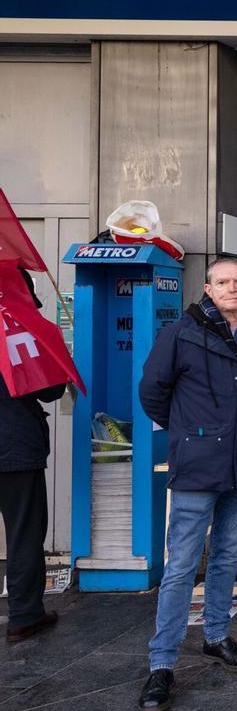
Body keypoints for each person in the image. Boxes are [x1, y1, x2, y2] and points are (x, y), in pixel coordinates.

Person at [136, 257, 237, 710]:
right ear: (208, 287)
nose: (232, 288)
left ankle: (216, 636)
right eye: (223, 282)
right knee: (181, 565)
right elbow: (152, 392)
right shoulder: (181, 332)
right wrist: (189, 431)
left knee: (224, 557)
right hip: (198, 465)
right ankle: (161, 663)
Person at [1, 267, 66, 644]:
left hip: (15, 446)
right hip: (15, 448)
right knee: (24, 533)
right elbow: (51, 391)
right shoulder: (27, 328)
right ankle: (24, 616)